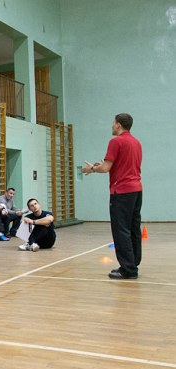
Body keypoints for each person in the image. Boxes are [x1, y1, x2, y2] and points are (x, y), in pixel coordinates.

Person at [81, 113, 142, 279]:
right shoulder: (136, 142)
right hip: (136, 190)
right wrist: (101, 165)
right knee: (133, 228)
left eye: (113, 123)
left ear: (119, 125)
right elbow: (121, 165)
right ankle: (133, 263)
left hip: (121, 191)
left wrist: (92, 169)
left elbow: (105, 168)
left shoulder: (115, 141)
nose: (112, 125)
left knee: (121, 230)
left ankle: (128, 269)